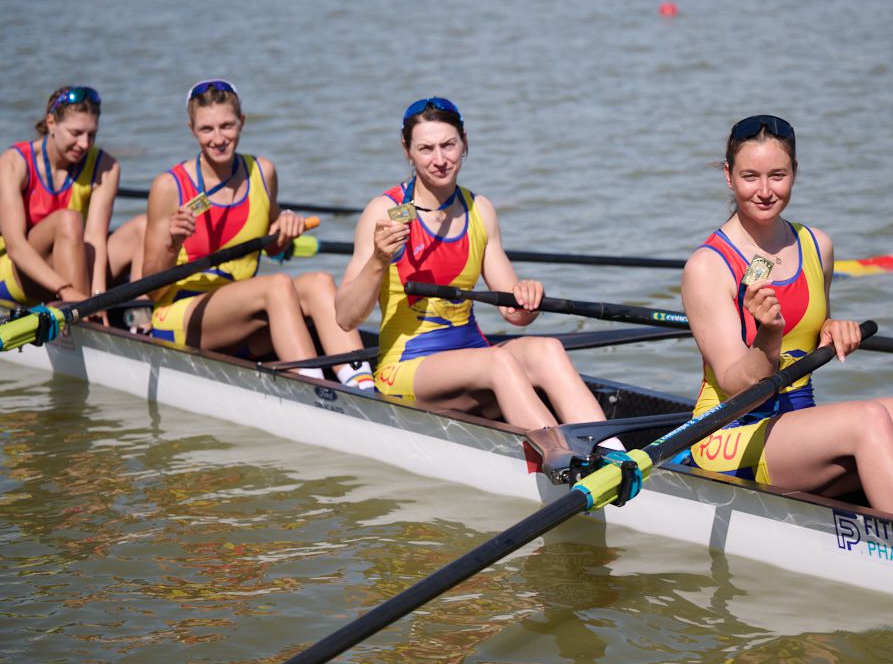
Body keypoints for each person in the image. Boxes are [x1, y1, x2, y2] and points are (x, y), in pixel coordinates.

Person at [681, 114, 893, 537]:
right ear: (728, 177)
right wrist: (768, 335)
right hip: (729, 434)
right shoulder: (707, 267)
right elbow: (738, 384)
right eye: (750, 176)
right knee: (868, 419)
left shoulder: (817, 246)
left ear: (795, 173)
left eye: (778, 175)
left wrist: (831, 325)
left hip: (794, 427)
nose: (765, 191)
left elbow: (808, 328)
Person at [334, 97, 615, 434]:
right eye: (426, 149)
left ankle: (613, 456)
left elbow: (515, 314)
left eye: (448, 145)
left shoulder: (479, 209)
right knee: (499, 361)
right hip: (406, 368)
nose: (439, 160)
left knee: (547, 348)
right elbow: (345, 317)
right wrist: (379, 261)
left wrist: (528, 296)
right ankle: (564, 458)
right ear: (407, 150)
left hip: (475, 355)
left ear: (464, 142)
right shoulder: (385, 212)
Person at [141, 79, 374, 390]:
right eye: (206, 129)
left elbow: (274, 249)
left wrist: (285, 232)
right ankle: (315, 391)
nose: (219, 138)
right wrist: (173, 243)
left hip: (246, 312)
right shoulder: (169, 187)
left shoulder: (262, 172)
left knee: (319, 282)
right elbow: (152, 291)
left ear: (243, 122)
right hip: (180, 317)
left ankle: (363, 386)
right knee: (277, 286)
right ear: (191, 129)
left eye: (227, 126)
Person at [0, 86, 139, 311]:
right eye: (76, 133)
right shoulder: (14, 163)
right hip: (16, 276)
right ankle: (79, 311)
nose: (84, 144)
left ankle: (135, 317)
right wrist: (66, 290)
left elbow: (95, 239)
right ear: (52, 123)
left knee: (139, 227)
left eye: (91, 134)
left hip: (72, 268)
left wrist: (97, 297)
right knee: (69, 220)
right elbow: (15, 246)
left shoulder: (106, 167)